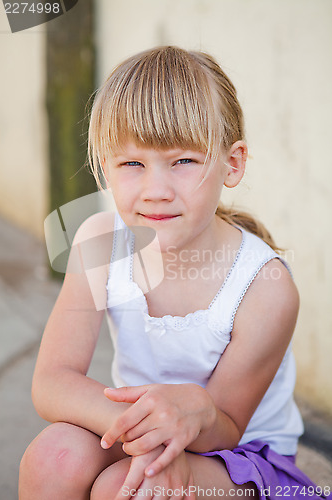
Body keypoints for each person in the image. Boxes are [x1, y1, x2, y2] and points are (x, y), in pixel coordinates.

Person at [19, 46, 331, 500]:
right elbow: (52, 381)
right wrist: (140, 428)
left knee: (132, 486)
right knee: (55, 459)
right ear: (105, 169)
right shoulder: (100, 243)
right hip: (143, 429)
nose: (156, 191)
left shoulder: (265, 287)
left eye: (183, 161)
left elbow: (226, 426)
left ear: (233, 163)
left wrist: (174, 423)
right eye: (131, 164)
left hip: (240, 458)